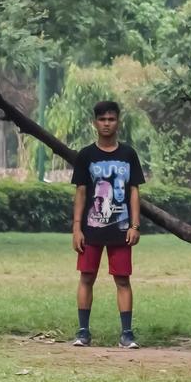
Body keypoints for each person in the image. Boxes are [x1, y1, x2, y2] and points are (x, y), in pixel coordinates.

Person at [71, 100, 145, 349]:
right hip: (91, 230)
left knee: (122, 279)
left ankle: (127, 333)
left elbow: (134, 191)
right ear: (95, 123)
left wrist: (135, 225)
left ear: (118, 122)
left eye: (111, 119)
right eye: (102, 119)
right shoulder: (86, 155)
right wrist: (76, 228)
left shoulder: (128, 154)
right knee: (86, 277)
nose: (106, 124)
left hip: (121, 230)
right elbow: (81, 193)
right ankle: (83, 332)